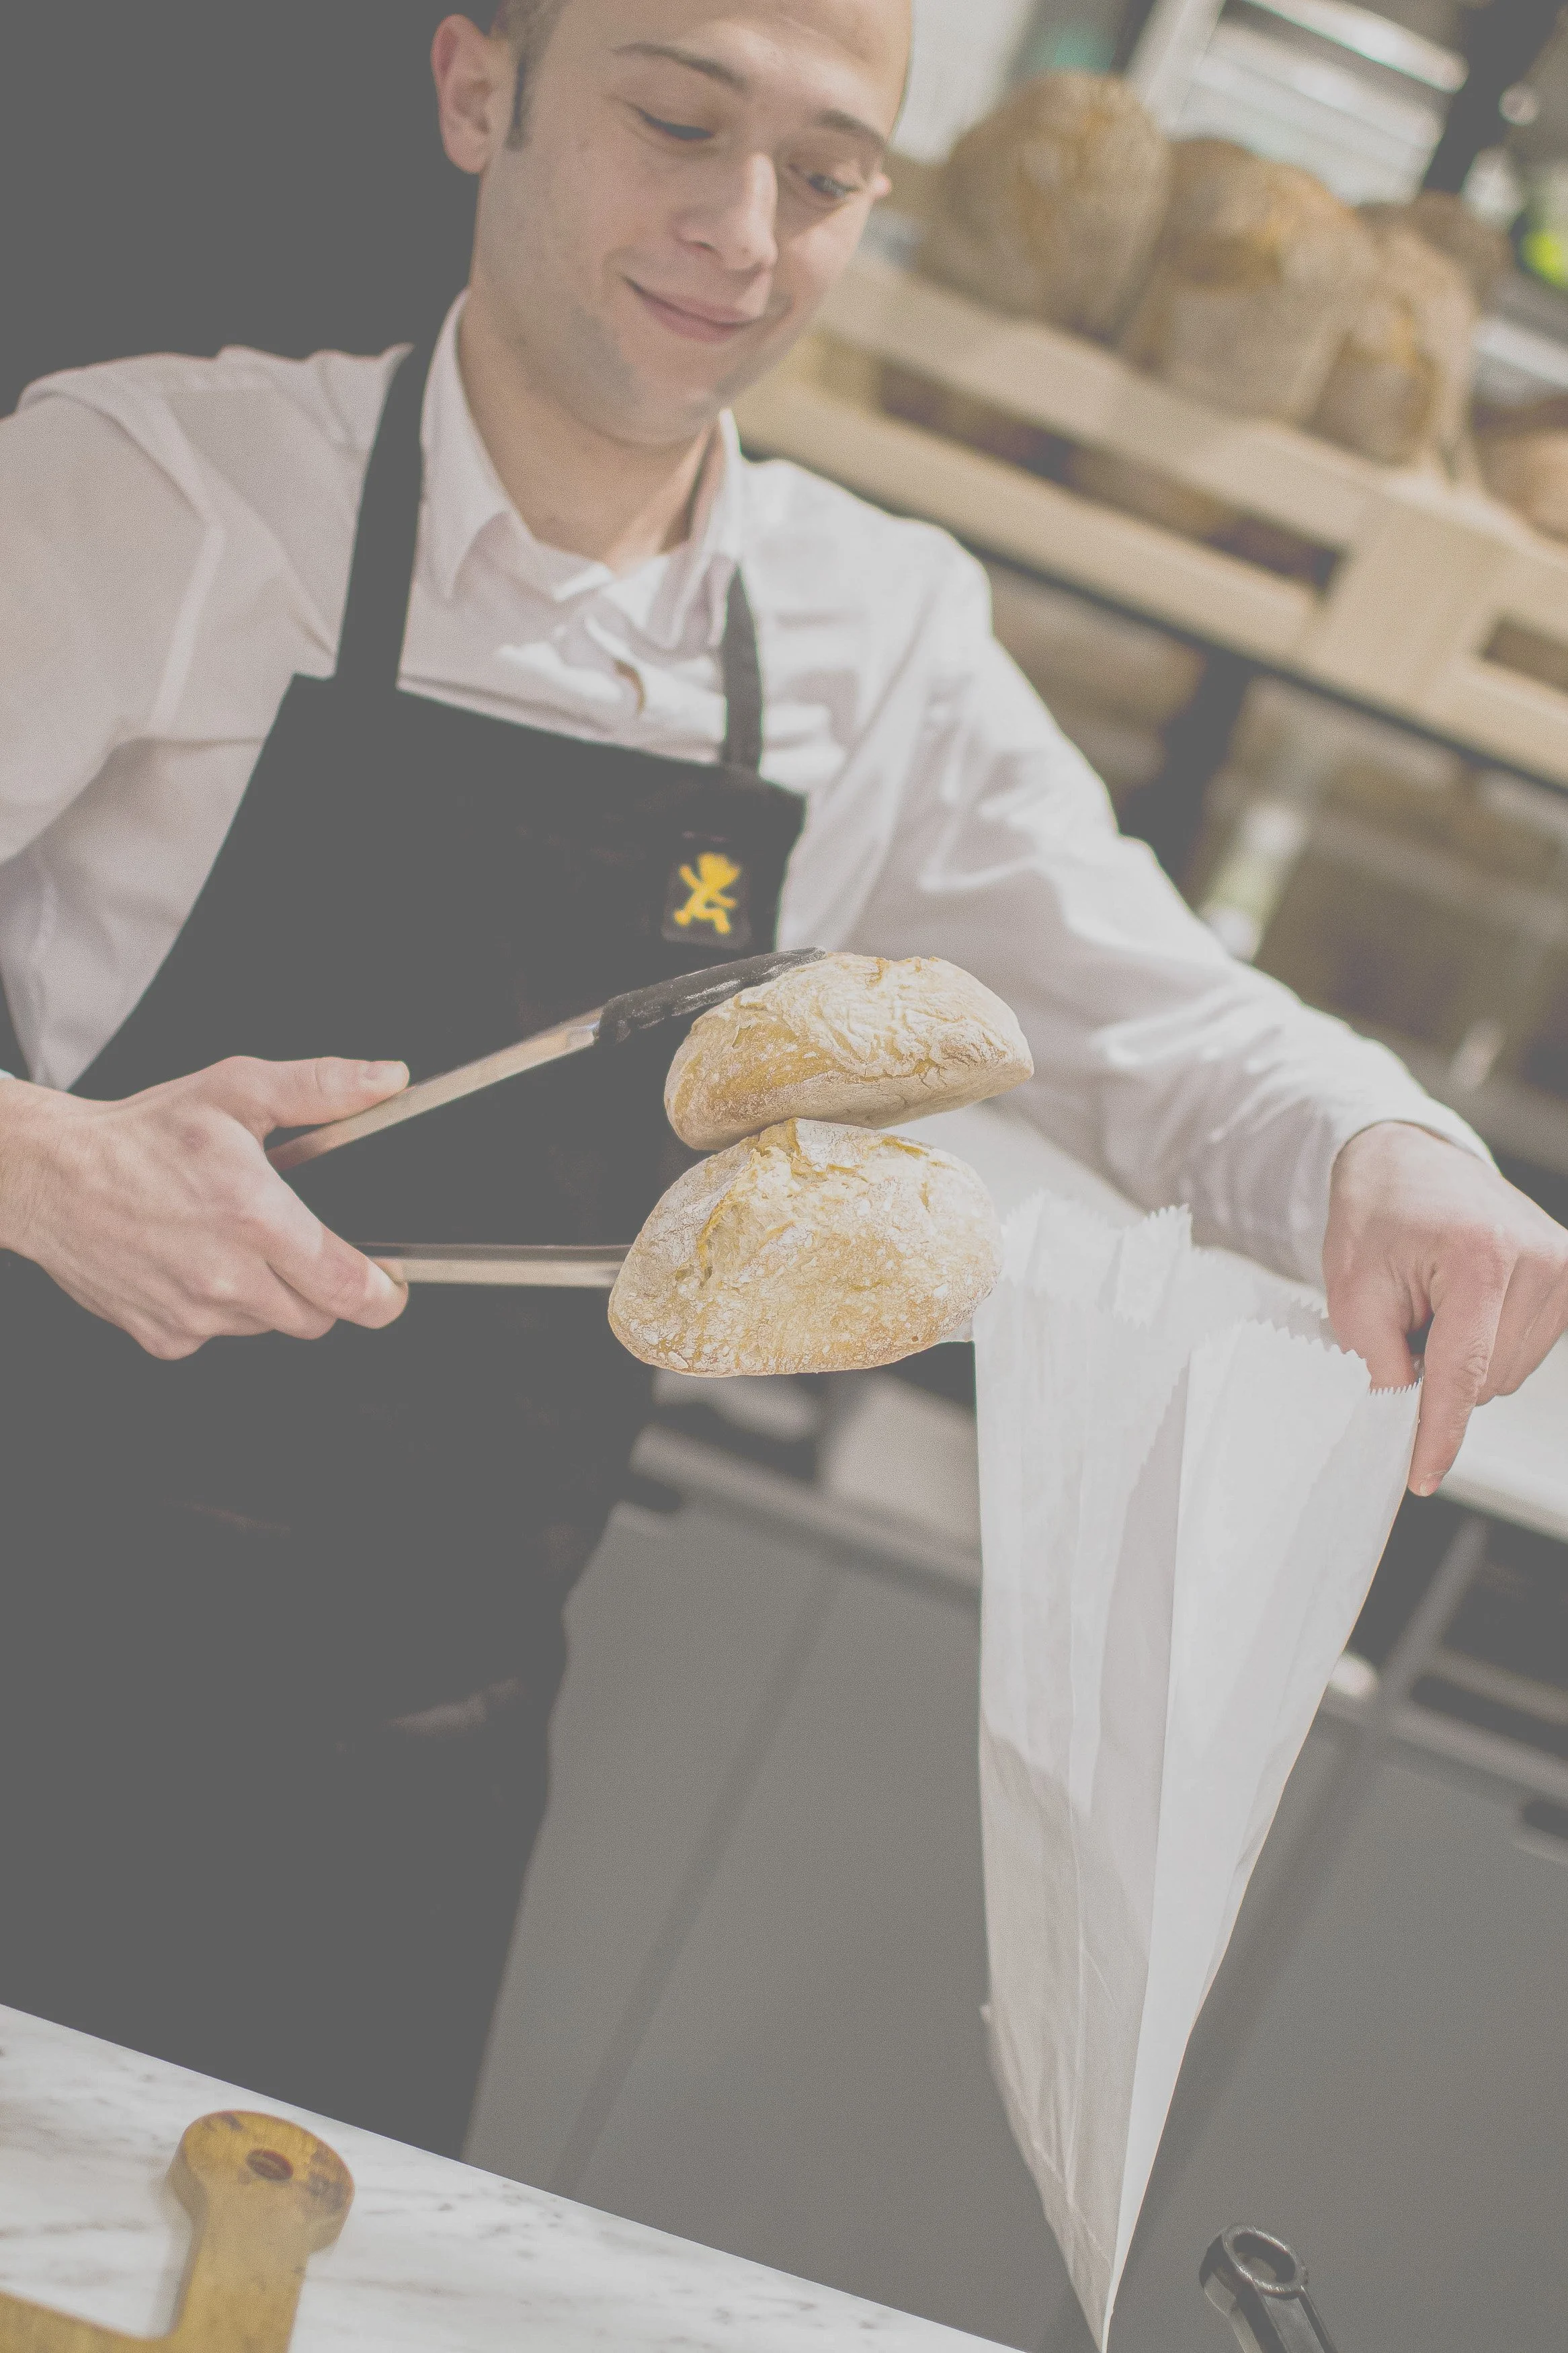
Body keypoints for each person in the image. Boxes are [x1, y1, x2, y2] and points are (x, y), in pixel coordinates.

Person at [1, 0, 1563, 2158]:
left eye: (826, 176)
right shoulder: (156, 491)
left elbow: (1164, 1022)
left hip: (405, 1779)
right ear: (478, 93)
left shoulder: (872, 632)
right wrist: (43, 1157)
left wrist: (1387, 1149)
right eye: (674, 120)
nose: (741, 229)